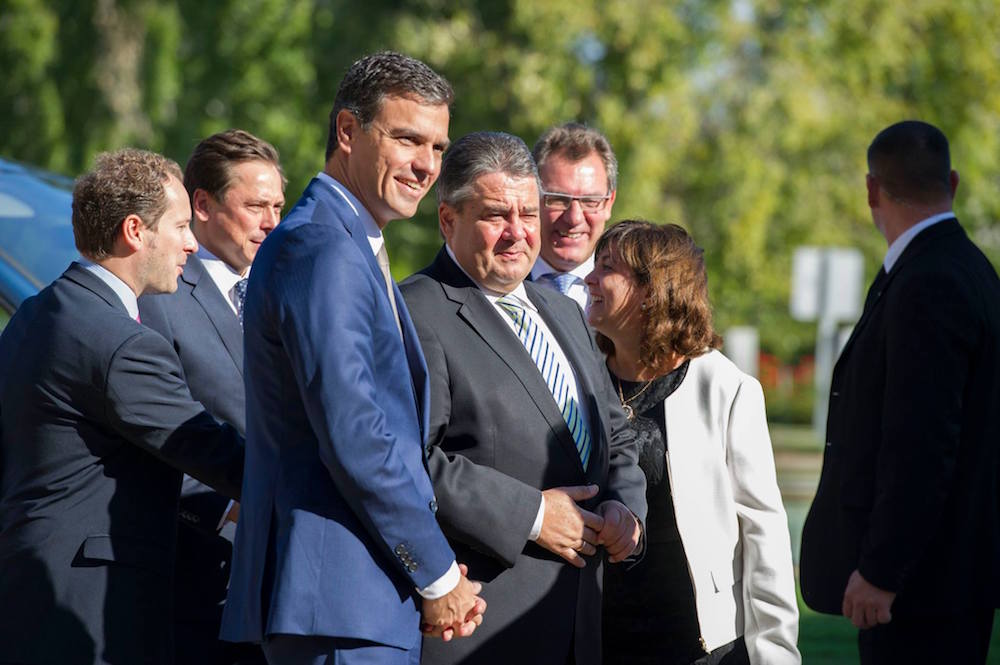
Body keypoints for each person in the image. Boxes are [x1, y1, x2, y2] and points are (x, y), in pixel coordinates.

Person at [219, 52, 485, 665]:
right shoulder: (322, 247)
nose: (427, 165)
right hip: (336, 605)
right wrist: (439, 576)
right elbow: (356, 432)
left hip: (356, 604)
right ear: (347, 132)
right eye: (408, 139)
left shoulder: (348, 241)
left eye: (439, 147)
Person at [400, 131, 647, 665]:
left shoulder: (561, 310)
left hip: (578, 621)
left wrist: (627, 507)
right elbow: (408, 463)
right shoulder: (415, 313)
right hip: (483, 627)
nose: (518, 234)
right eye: (496, 216)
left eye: (529, 215)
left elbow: (616, 430)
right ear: (448, 220)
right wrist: (533, 514)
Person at [0, 148, 246, 665]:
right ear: (135, 231)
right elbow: (216, 454)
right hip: (91, 608)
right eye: (180, 226)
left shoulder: (35, 314)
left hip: (35, 589)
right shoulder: (121, 343)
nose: (191, 243)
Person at [799, 120, 1000, 664]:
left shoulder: (926, 281)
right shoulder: (972, 271)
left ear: (871, 190)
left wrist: (883, 573)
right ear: (952, 182)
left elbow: (923, 447)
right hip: (948, 582)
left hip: (919, 593)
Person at [584, 221, 800, 665]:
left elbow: (764, 532)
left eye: (606, 267)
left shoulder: (726, 388)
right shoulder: (575, 373)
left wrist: (777, 653)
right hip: (593, 636)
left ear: (652, 290)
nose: (588, 277)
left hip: (696, 642)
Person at [139, 128, 285, 665]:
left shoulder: (285, 294)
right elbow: (150, 430)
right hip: (200, 585)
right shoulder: (161, 296)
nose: (271, 222)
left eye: (277, 206)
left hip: (287, 584)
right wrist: (229, 512)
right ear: (202, 204)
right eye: (255, 206)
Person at [529, 122, 618, 310]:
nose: (574, 218)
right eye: (558, 199)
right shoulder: (498, 285)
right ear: (532, 197)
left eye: (590, 201)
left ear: (609, 203)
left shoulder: (632, 295)